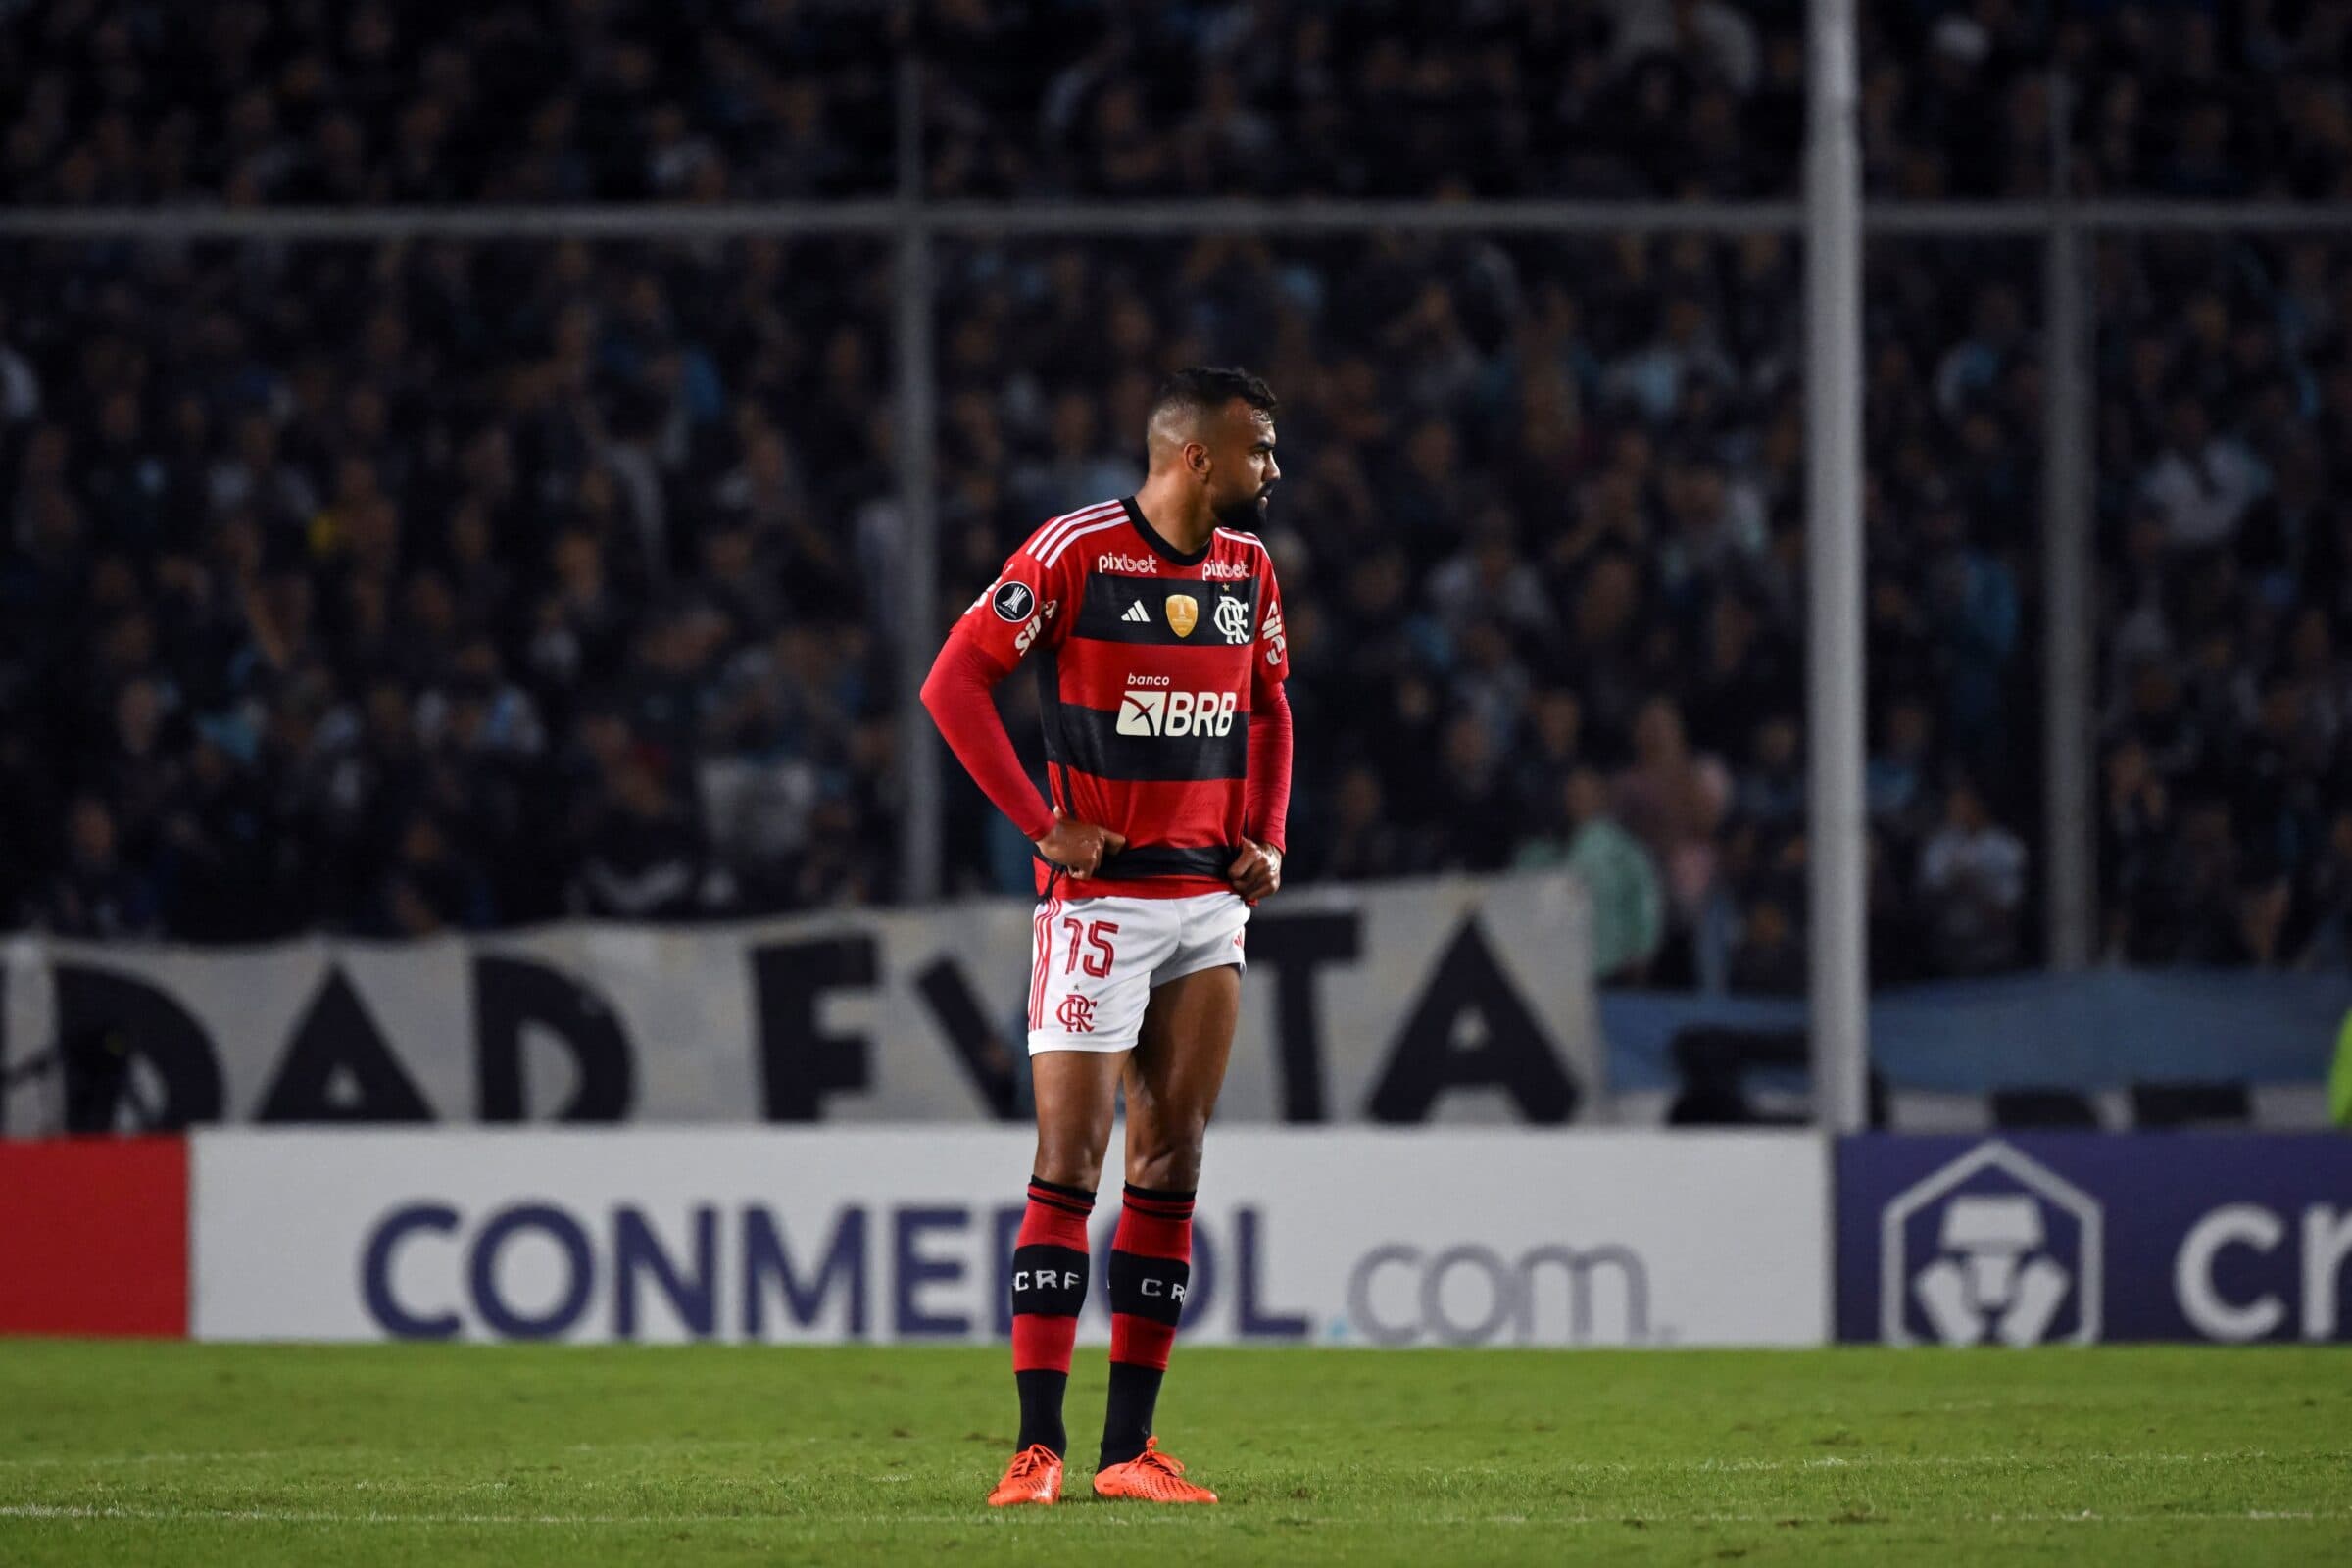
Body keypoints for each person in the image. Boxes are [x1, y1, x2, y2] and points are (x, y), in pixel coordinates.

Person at [919, 368, 1293, 1508]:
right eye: (1259, 451)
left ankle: (1129, 1453)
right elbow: (954, 684)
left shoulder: (1249, 571)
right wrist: (1043, 822)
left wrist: (1268, 836)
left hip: (1207, 907)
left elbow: (1272, 707)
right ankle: (1034, 1448)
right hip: (1097, 907)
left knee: (1171, 1163)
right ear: (1197, 458)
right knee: (1069, 1165)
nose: (1272, 471)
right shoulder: (1076, 552)